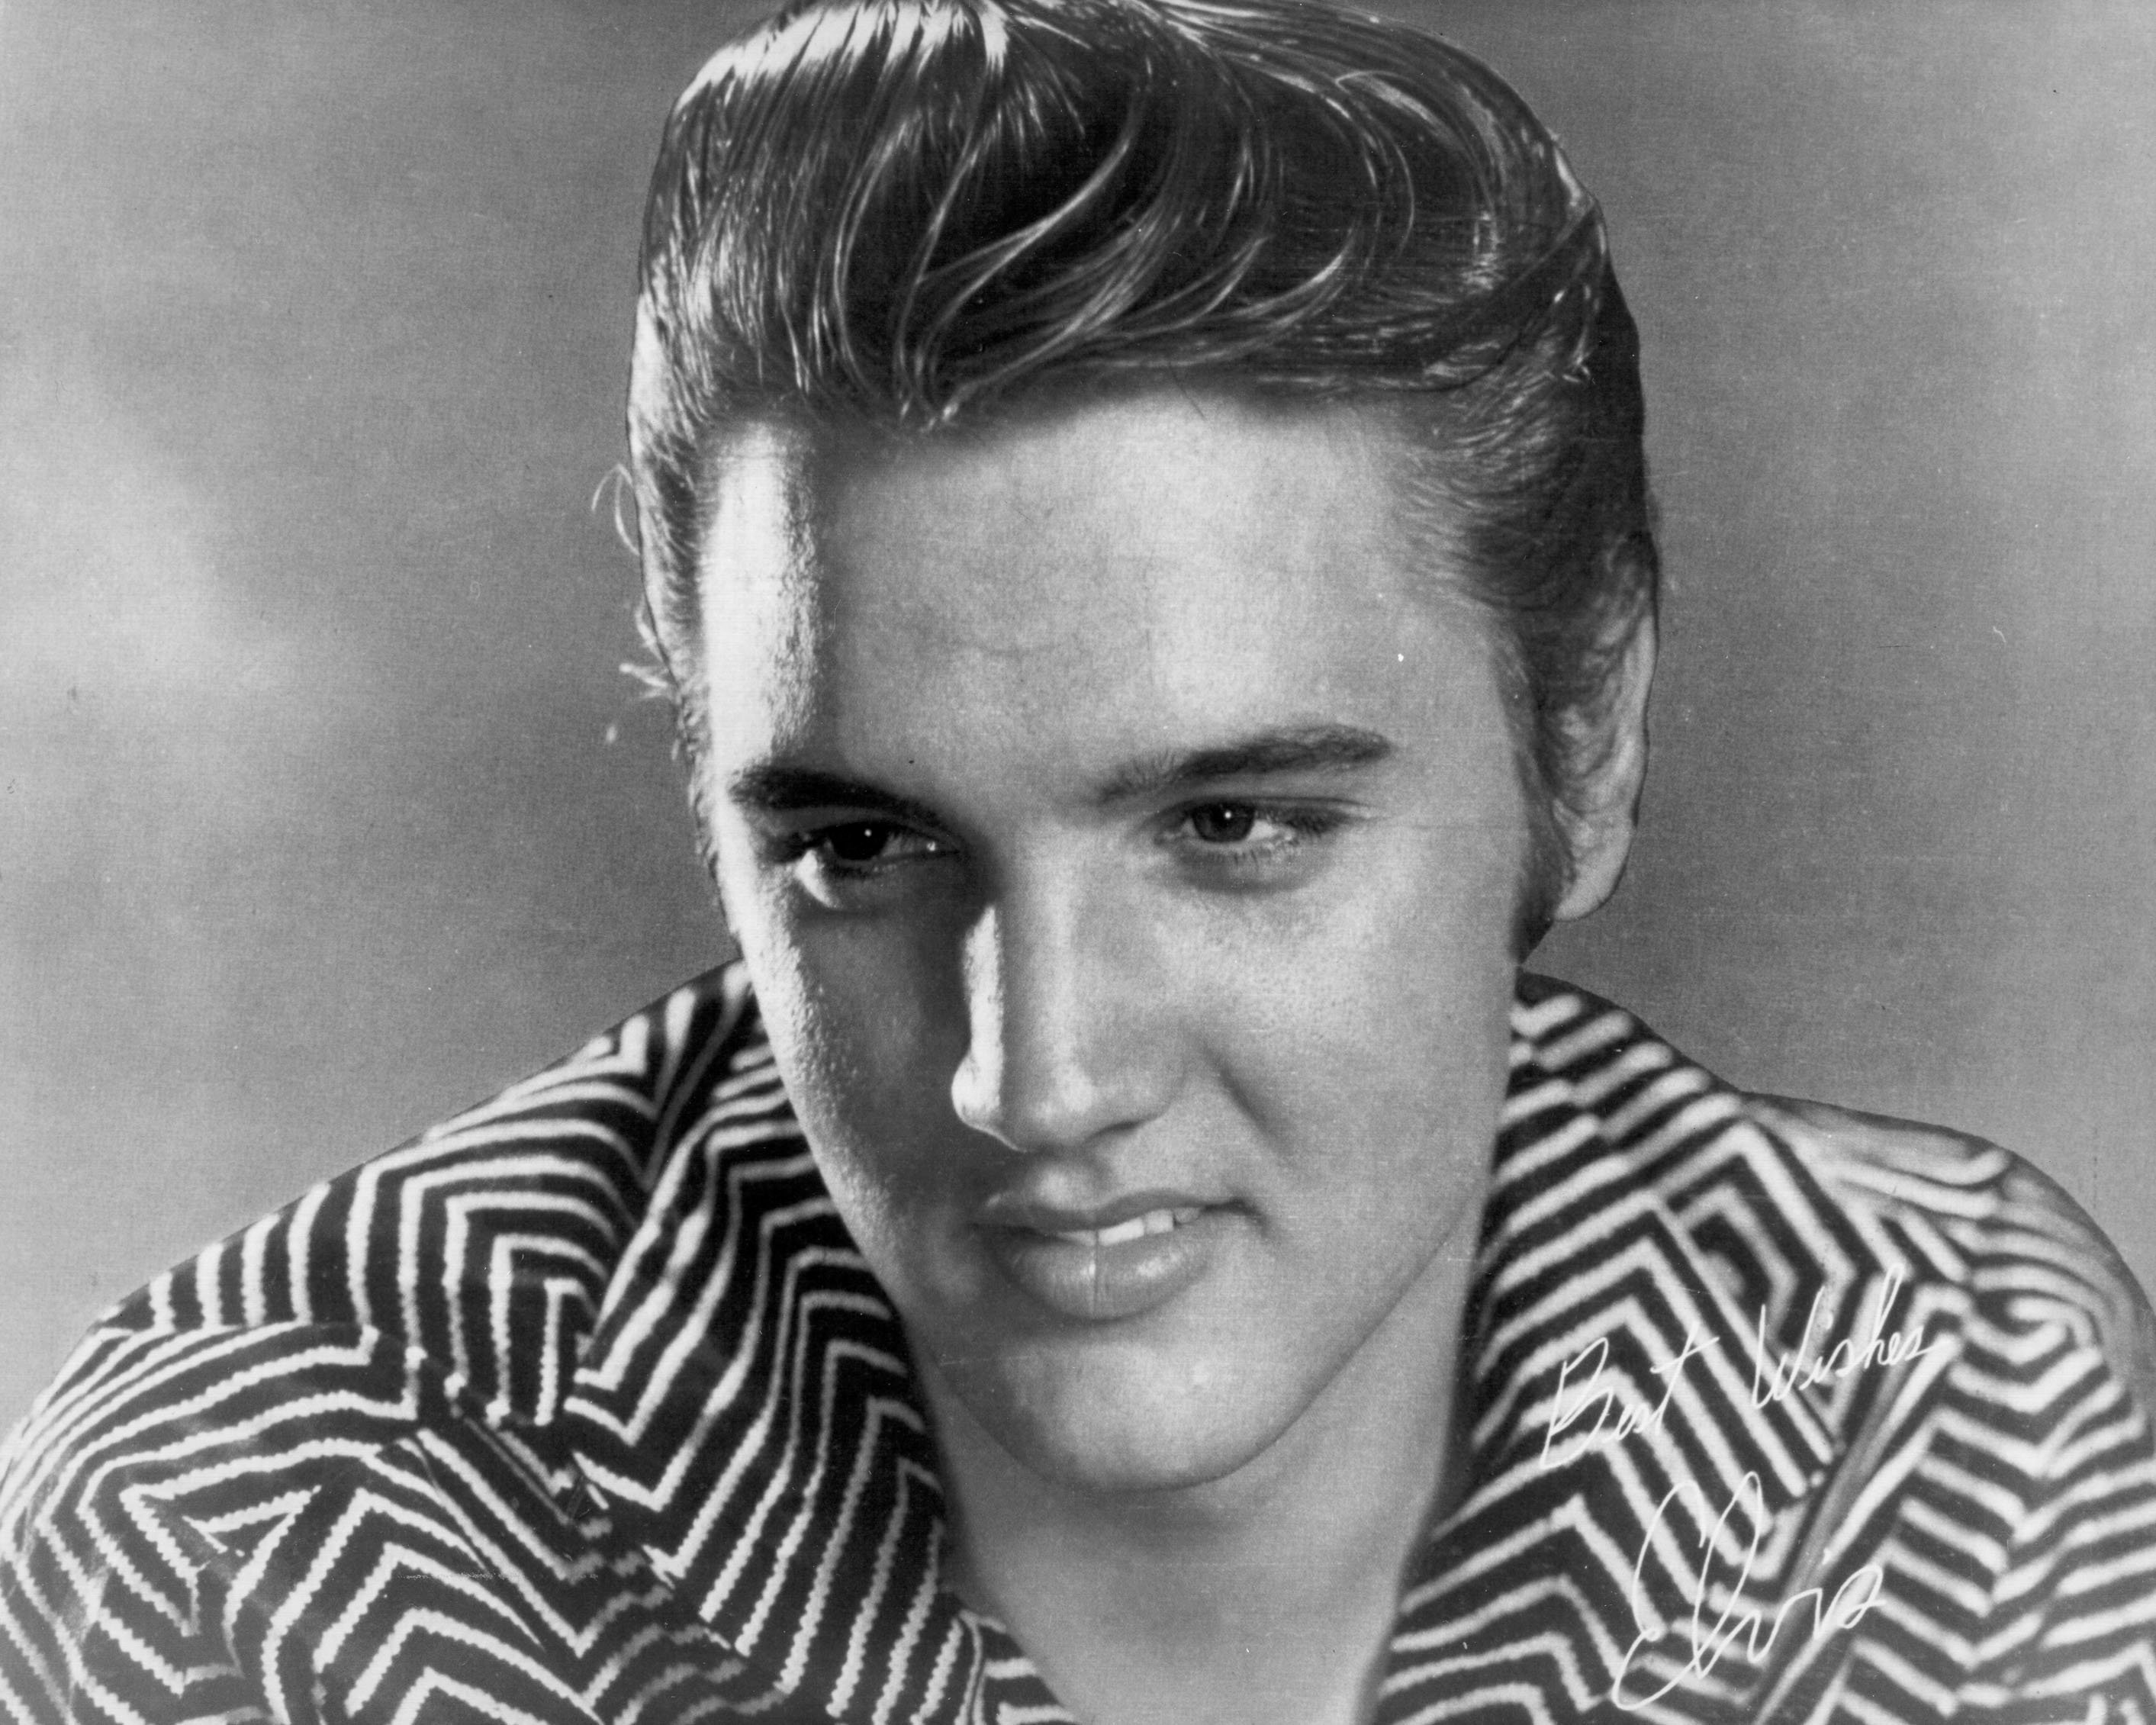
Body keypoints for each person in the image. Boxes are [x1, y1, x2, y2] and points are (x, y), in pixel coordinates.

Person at [4, 1, 2153, 1720]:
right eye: (864, 845)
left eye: (1230, 828)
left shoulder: (1942, 1388)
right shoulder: (248, 1530)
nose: (1031, 1081)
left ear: (1582, 743)